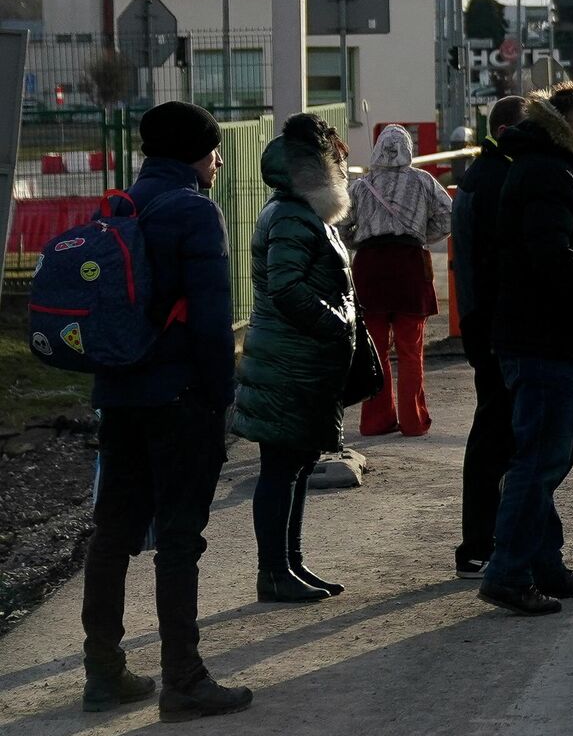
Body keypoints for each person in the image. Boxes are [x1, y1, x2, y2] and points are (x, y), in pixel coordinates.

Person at [78, 101, 253, 721]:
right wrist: (222, 398)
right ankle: (183, 679)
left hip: (118, 395)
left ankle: (104, 674)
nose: (218, 162)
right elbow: (210, 323)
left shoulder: (119, 206)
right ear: (199, 156)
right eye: (214, 152)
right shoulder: (195, 211)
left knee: (114, 535)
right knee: (179, 540)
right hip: (179, 399)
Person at [481, 83, 573, 616]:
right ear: (563, 125)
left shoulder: (553, 168)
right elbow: (552, 255)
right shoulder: (544, 172)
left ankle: (544, 565)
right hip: (546, 343)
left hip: (557, 341)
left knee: (545, 462)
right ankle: (508, 574)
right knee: (538, 462)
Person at [232, 114, 358, 606]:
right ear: (317, 161)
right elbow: (287, 289)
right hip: (289, 359)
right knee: (281, 467)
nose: (344, 159)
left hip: (297, 359)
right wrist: (337, 323)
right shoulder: (289, 214)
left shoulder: (296, 209)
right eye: (336, 153)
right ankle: (274, 573)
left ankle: (291, 564)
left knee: (297, 465)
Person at [450, 95, 525, 580]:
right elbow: (493, 265)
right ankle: (479, 545)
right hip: (495, 329)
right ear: (503, 130)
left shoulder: (485, 175)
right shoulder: (495, 179)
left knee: (496, 436)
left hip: (487, 326)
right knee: (494, 437)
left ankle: (487, 540)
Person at [343, 125, 453, 438]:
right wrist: (422, 236)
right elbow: (449, 215)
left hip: (371, 269)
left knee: (374, 351)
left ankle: (376, 421)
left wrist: (358, 242)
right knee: (410, 350)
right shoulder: (423, 181)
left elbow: (340, 223)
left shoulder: (361, 186)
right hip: (409, 267)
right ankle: (413, 421)